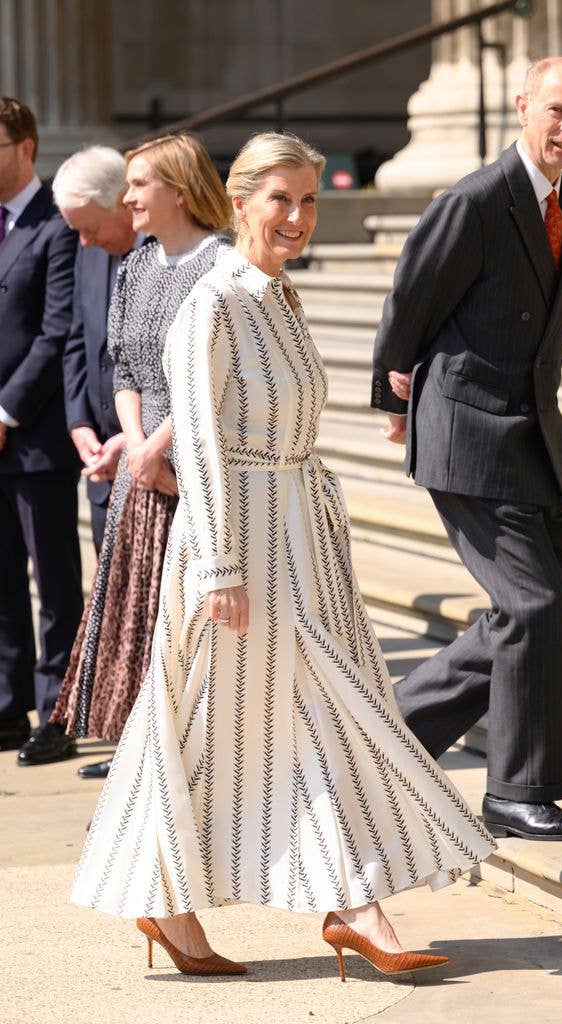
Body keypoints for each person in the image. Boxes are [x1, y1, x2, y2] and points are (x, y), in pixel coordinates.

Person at [70, 131, 495, 978]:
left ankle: (248, 907)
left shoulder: (277, 295)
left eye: (309, 200)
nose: (297, 217)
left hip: (300, 536)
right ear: (238, 201)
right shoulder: (215, 301)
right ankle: (345, 907)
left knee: (263, 728)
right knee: (247, 725)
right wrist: (222, 567)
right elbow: (198, 442)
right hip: (240, 548)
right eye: (280, 200)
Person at [371, 56, 562, 842]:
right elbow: (411, 298)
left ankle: (384, 736)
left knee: (528, 612)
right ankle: (514, 791)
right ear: (522, 105)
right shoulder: (471, 200)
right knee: (531, 605)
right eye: (555, 111)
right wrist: (391, 401)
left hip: (530, 432)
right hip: (464, 429)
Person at [49, 134, 231, 780]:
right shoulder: (137, 266)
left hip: (193, 463)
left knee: (183, 616)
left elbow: (220, 376)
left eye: (138, 186)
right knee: (141, 613)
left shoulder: (223, 267)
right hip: (141, 468)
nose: (128, 199)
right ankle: (143, 743)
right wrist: (133, 439)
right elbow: (121, 366)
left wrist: (160, 446)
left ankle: (193, 749)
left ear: (178, 191)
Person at [0, 97, 82, 765]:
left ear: (24, 147)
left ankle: (57, 710)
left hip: (36, 437)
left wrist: (5, 410)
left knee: (53, 582)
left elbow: (58, 332)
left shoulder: (59, 223)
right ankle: (6, 704)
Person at [53, 146, 140, 555]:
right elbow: (76, 339)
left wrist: (134, 436)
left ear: (122, 201)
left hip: (155, 467)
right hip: (102, 472)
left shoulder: (166, 250)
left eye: (90, 228)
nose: (84, 241)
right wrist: (78, 422)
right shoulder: (88, 248)